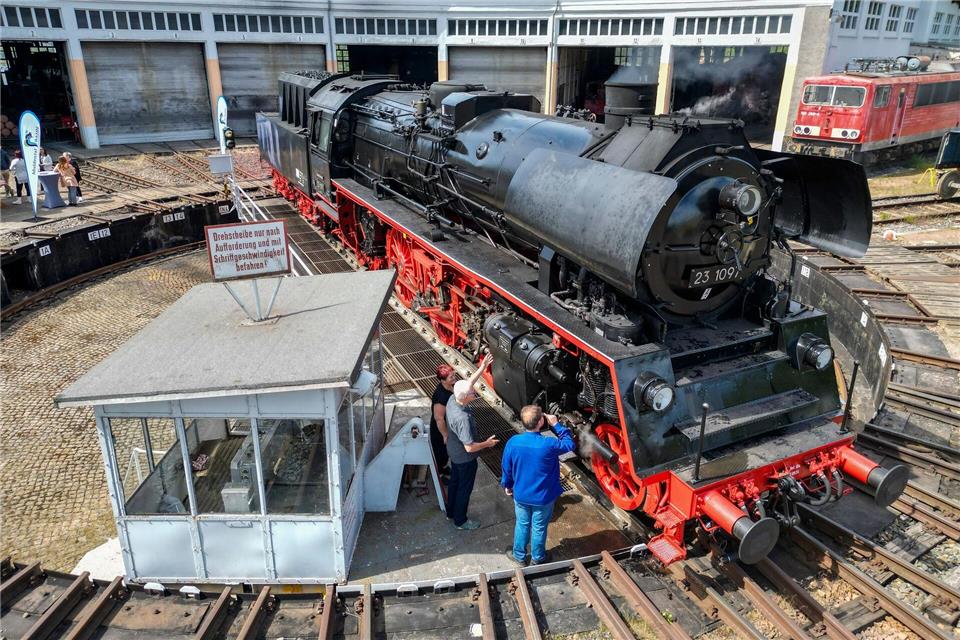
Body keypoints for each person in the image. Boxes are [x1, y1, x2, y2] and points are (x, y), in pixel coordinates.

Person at [501, 405, 576, 566]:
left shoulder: (513, 442)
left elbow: (507, 468)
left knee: (522, 524)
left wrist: (507, 485)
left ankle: (519, 556)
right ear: (541, 421)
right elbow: (569, 444)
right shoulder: (548, 444)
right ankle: (538, 557)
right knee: (539, 527)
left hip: (521, 494)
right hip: (543, 497)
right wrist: (556, 424)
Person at [445, 354, 498, 530]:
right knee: (464, 489)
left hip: (453, 451)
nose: (474, 393)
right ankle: (460, 521)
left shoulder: (453, 399)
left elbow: (467, 386)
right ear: (465, 397)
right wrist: (486, 444)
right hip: (464, 458)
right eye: (472, 393)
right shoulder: (463, 419)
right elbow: (469, 447)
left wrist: (482, 368)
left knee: (454, 482)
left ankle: (450, 511)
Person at [430, 363, 456, 479]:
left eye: (453, 375)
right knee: (440, 451)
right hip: (440, 429)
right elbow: (439, 418)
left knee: (445, 453)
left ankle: (444, 467)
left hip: (448, 424)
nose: (454, 378)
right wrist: (445, 435)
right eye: (451, 377)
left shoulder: (451, 385)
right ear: (443, 380)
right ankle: (439, 474)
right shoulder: (440, 396)